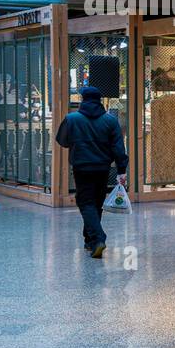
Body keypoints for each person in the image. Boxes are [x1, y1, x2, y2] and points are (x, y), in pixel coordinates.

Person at [55, 86, 129, 258]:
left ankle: (98, 238)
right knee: (96, 203)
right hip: (103, 168)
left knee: (85, 203)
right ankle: (89, 241)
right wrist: (121, 170)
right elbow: (119, 147)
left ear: (83, 99)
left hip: (82, 167)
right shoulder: (111, 121)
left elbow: (62, 141)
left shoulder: (71, 119)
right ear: (99, 101)